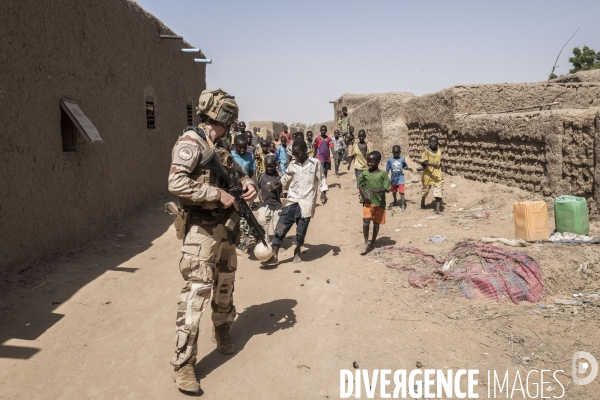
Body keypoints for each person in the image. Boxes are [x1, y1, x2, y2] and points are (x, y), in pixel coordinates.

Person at [167, 88, 257, 393]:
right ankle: (184, 364)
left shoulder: (218, 144)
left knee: (225, 283)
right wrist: (215, 193)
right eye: (230, 120)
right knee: (196, 292)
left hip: (225, 227)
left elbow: (236, 172)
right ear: (225, 117)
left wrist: (247, 185)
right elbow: (175, 181)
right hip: (201, 230)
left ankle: (222, 330)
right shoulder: (191, 141)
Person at [267, 140, 328, 264]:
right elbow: (287, 177)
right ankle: (274, 254)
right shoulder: (292, 164)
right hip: (292, 200)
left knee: (301, 232)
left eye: (298, 153)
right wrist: (278, 186)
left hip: (306, 202)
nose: (295, 156)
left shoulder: (315, 163)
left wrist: (323, 193)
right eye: (293, 154)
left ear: (305, 151)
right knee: (280, 226)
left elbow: (321, 178)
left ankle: (298, 249)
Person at [358, 151, 390, 255]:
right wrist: (364, 195)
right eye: (368, 162)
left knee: (376, 224)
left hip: (380, 203)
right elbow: (361, 185)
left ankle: (373, 241)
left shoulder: (383, 174)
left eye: (372, 162)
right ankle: (366, 242)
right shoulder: (365, 173)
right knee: (366, 221)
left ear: (378, 162)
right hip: (368, 202)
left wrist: (377, 191)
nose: (369, 164)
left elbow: (387, 188)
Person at [257, 155, 282, 241]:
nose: (269, 168)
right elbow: (257, 186)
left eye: (271, 166)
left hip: (276, 205)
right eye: (267, 166)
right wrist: (258, 192)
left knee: (279, 226)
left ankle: (279, 242)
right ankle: (265, 241)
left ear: (276, 165)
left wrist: (278, 187)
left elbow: (282, 193)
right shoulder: (261, 177)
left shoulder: (279, 178)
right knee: (262, 222)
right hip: (264, 204)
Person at [420, 135, 444, 214]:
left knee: (438, 189)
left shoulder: (439, 151)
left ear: (437, 143)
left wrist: (442, 166)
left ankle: (437, 208)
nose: (433, 143)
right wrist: (432, 165)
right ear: (429, 142)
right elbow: (423, 162)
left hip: (437, 173)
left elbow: (440, 160)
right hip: (428, 173)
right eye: (431, 141)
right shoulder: (426, 151)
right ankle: (423, 199)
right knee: (426, 190)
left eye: (435, 141)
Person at [386, 145, 413, 210]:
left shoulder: (402, 159)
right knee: (394, 191)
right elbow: (387, 169)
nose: (396, 154)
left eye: (397, 152)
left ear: (400, 152)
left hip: (400, 178)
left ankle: (403, 204)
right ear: (392, 152)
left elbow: (404, 166)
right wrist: (385, 177)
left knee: (401, 192)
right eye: (394, 153)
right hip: (393, 179)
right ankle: (395, 199)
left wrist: (408, 168)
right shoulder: (390, 160)